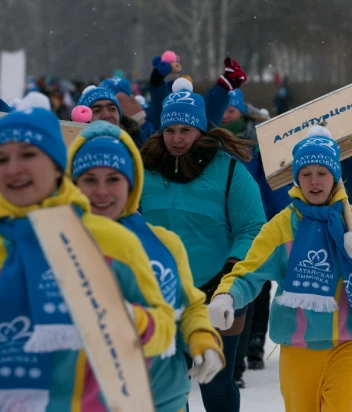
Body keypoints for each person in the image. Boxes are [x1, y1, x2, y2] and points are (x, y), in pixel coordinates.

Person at [208, 125, 352, 411]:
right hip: (298, 348)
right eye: (306, 174)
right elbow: (249, 272)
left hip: (351, 344)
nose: (314, 182)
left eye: (322, 173)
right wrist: (227, 295)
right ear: (296, 178)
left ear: (335, 176)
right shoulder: (282, 226)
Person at [0, 108, 175, 410]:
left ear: (57, 165)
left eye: (28, 155)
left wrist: (132, 320)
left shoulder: (112, 240)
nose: (13, 169)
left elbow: (163, 328)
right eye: (2, 159)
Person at [68, 121, 226, 411]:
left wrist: (201, 337)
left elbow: (188, 305)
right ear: (73, 184)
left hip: (164, 399)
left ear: (132, 183)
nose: (102, 191)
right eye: (90, 179)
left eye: (114, 179)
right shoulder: (51, 246)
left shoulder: (163, 243)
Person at [139, 78, 265, 412]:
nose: (177, 139)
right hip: (161, 291)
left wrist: (229, 278)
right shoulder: (144, 170)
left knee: (216, 381)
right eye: (170, 130)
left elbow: (252, 228)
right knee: (168, 383)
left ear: (200, 130)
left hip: (219, 291)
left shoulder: (230, 170)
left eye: (185, 130)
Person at [219, 89, 291, 387]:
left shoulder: (259, 142)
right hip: (224, 225)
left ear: (241, 113)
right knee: (234, 288)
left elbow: (271, 183)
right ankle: (225, 355)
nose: (226, 116)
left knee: (257, 289)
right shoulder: (212, 140)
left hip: (257, 221)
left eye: (231, 111)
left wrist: (278, 220)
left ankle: (254, 345)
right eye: (223, 111)